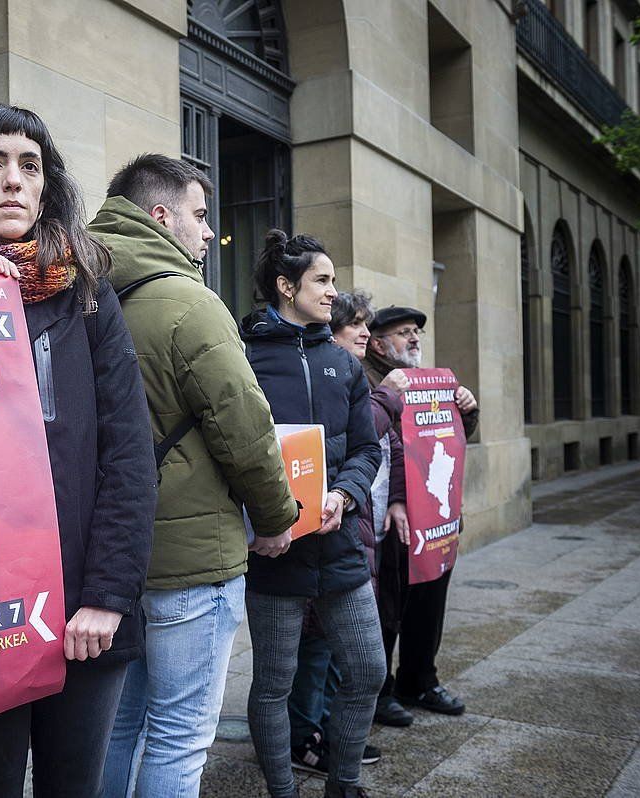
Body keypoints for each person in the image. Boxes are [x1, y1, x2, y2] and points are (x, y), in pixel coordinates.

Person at [0, 104, 157, 798]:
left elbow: (129, 455)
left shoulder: (87, 293)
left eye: (31, 165)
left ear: (48, 184)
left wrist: (108, 596)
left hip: (83, 612)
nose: (14, 181)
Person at [89, 154, 298, 797]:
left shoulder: (84, 290)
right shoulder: (189, 302)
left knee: (120, 727)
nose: (211, 233)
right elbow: (247, 430)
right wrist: (275, 518)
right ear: (160, 216)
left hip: (114, 561)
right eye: (201, 215)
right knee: (180, 738)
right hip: (195, 560)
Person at [241, 230, 384, 798]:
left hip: (338, 544)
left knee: (367, 670)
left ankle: (342, 785)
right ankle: (283, 791)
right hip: (273, 551)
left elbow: (367, 449)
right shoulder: (244, 356)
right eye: (322, 280)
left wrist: (344, 496)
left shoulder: (343, 365)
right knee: (274, 683)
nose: (333, 292)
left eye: (332, 280)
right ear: (286, 286)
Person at [283, 289, 406, 776]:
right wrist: (387, 398)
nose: (365, 333)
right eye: (355, 324)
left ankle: (329, 734)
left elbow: (383, 453)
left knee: (340, 655)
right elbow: (351, 435)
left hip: (358, 534)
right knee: (313, 653)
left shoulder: (360, 376)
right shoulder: (332, 375)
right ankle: (303, 738)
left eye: (366, 325)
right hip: (325, 539)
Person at [365, 305, 479, 718]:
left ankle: (420, 680)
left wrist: (466, 408)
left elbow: (451, 440)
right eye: (402, 333)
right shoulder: (371, 379)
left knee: (429, 601)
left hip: (435, 515)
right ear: (377, 343)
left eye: (416, 332)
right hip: (395, 516)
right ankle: (380, 692)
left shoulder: (431, 383)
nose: (413, 339)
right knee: (389, 609)